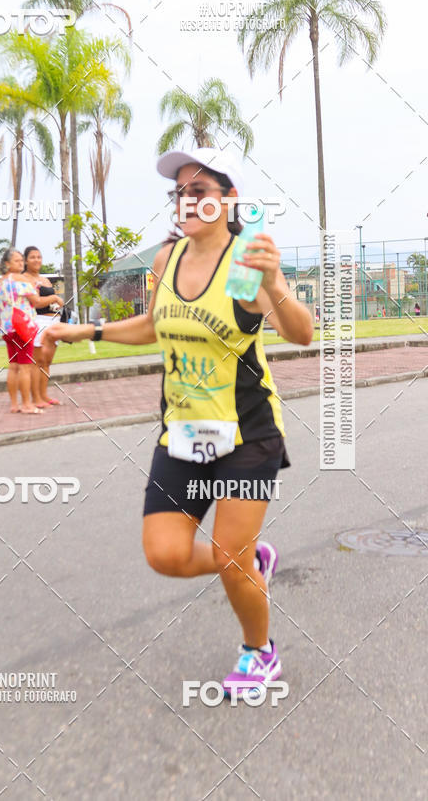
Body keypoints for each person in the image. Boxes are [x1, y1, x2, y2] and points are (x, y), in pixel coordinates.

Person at [43, 148, 314, 699]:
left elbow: (300, 333)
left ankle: (260, 652)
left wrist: (276, 280)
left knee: (229, 558)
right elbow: (157, 325)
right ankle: (251, 562)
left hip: (246, 434)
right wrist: (88, 334)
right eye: (180, 193)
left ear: (228, 200)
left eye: (201, 191)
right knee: (165, 554)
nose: (187, 201)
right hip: (183, 433)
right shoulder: (167, 259)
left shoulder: (246, 263)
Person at [0, 248, 55, 415]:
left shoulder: (1, 282)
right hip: (23, 327)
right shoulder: (20, 279)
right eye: (17, 261)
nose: (21, 264)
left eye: (22, 261)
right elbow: (36, 301)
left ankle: (15, 404)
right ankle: (27, 404)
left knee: (13, 366)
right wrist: (55, 298)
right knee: (25, 368)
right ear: (7, 264)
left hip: (8, 328)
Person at [24, 245, 64, 407]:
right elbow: (36, 301)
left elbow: (48, 299)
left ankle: (44, 395)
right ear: (26, 260)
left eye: (39, 257)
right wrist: (54, 297)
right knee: (37, 361)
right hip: (37, 321)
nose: (37, 260)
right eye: (33, 257)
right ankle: (36, 398)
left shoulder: (45, 279)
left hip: (53, 322)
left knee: (47, 361)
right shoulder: (25, 279)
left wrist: (55, 302)